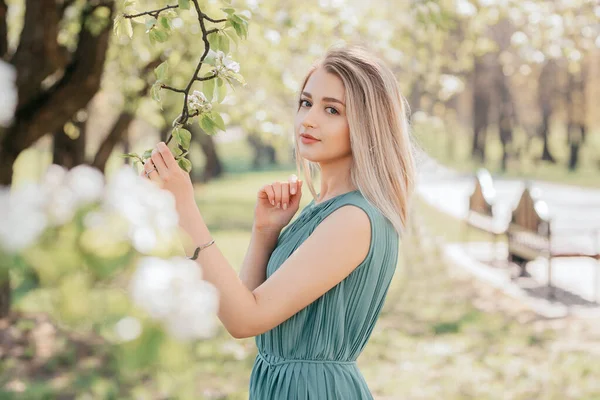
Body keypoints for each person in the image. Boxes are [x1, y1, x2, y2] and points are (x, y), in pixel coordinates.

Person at [141, 45, 416, 399]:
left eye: (332, 109)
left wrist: (183, 209)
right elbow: (239, 309)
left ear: (368, 124)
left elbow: (245, 320)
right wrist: (265, 231)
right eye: (306, 102)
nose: (309, 120)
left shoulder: (353, 218)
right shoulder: (327, 209)